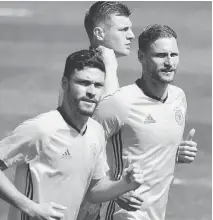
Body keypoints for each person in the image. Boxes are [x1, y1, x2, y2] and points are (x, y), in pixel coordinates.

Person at [0, 49, 144, 220]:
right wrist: (31, 208)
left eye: (98, 85)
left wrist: (123, 185)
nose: (92, 91)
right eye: (83, 83)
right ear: (65, 83)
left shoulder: (96, 132)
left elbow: (93, 191)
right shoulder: (41, 129)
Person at [92, 24, 198, 220]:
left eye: (173, 55)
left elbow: (144, 149)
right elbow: (84, 150)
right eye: (160, 55)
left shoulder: (178, 98)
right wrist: (113, 190)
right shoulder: (119, 103)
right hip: (120, 215)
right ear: (141, 57)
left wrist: (175, 153)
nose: (169, 62)